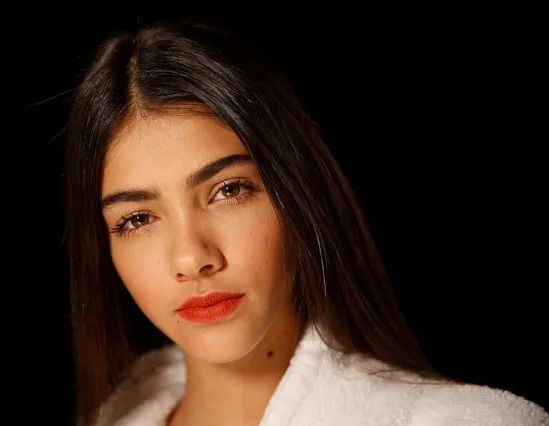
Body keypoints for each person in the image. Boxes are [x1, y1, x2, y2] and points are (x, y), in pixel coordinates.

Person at [64, 20, 547, 426]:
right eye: (137, 218)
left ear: (297, 193)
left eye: (228, 190)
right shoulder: (112, 415)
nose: (192, 257)